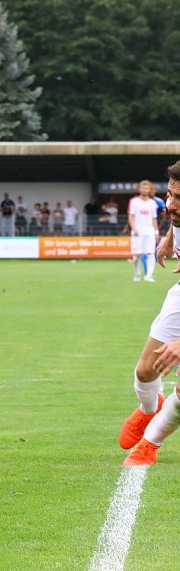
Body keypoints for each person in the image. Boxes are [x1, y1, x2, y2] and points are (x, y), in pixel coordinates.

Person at [120, 161, 180, 466]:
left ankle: (150, 443)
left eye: (179, 199)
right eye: (170, 194)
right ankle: (149, 408)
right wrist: (170, 239)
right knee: (146, 371)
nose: (171, 204)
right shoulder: (175, 207)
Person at [129, 180, 159, 282]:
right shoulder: (134, 202)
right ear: (139, 189)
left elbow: (154, 218)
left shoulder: (152, 203)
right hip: (137, 232)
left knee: (151, 254)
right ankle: (137, 274)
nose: (144, 190)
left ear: (149, 190)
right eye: (143, 188)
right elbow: (131, 216)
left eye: (146, 188)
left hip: (149, 232)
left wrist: (156, 231)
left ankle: (149, 276)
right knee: (137, 255)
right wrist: (134, 228)